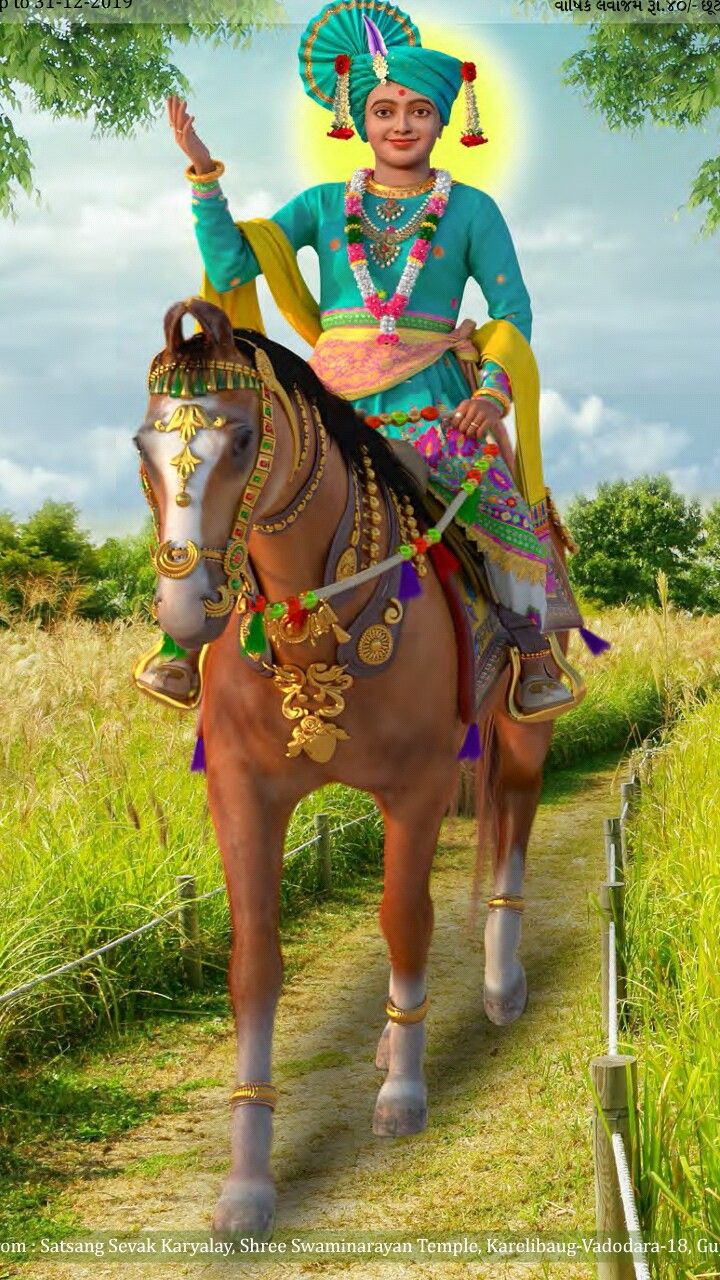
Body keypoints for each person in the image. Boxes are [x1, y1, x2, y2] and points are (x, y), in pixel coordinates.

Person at [136, 0, 577, 716]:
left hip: (433, 404)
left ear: (443, 122)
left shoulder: (472, 210)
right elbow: (232, 261)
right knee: (218, 468)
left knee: (493, 495)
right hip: (325, 401)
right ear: (360, 119)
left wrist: (491, 395)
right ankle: (182, 645)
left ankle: (533, 657)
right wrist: (204, 176)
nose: (400, 124)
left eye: (417, 111)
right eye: (383, 109)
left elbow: (512, 313)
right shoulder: (319, 202)